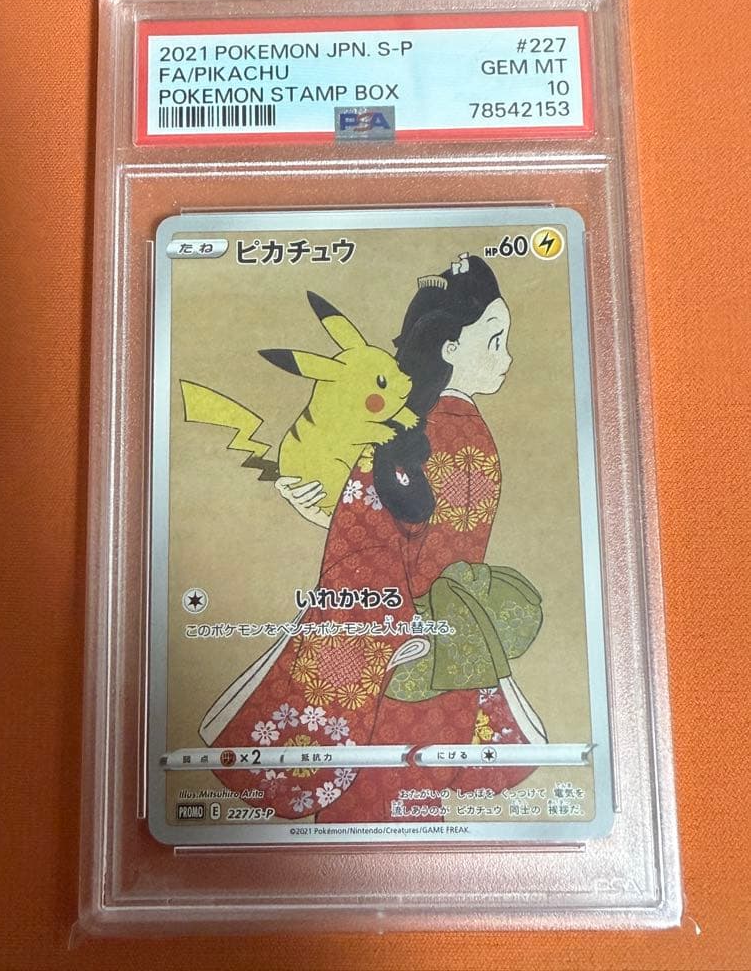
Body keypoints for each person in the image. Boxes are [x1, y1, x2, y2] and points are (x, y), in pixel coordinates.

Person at [200, 253, 546, 822]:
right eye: (494, 339)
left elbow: (379, 545)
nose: (506, 357)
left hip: (398, 652)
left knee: (369, 811)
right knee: (408, 809)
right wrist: (335, 512)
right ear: (450, 347)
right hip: (446, 650)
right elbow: (425, 534)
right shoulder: (465, 433)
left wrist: (383, 622)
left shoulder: (411, 436)